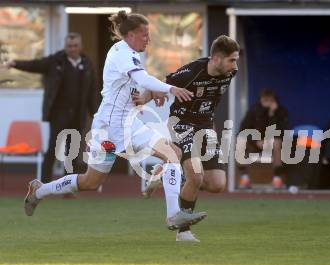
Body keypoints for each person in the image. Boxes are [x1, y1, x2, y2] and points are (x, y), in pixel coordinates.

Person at [23, 11, 207, 236]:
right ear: (130, 35)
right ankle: (40, 191)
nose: (148, 39)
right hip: (110, 129)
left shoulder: (131, 54)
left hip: (130, 124)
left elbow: (135, 84)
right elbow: (141, 79)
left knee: (173, 153)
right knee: (91, 182)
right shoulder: (122, 53)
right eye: (144, 34)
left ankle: (172, 213)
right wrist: (170, 89)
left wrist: (151, 92)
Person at [144, 35, 240, 242]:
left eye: (236, 60)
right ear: (215, 59)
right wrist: (143, 100)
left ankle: (166, 175)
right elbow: (159, 84)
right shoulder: (191, 72)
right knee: (196, 177)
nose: (235, 65)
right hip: (182, 124)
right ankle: (183, 232)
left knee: (217, 184)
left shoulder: (230, 72)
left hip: (206, 127)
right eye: (232, 60)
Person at [6, 33, 99, 182]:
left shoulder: (87, 64)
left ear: (80, 47)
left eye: (75, 46)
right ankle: (44, 184)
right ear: (65, 47)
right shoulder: (55, 61)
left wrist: (95, 113)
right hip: (58, 113)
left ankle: (69, 185)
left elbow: (92, 91)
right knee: (53, 149)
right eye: (69, 46)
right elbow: (35, 65)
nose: (72, 49)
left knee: (73, 152)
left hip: (78, 114)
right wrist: (16, 63)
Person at [237, 89, 289, 189]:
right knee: (240, 142)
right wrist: (256, 140)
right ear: (261, 99)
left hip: (273, 142)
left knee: (277, 143)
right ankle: (244, 178)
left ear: (274, 101)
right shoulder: (254, 110)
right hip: (255, 142)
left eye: (270, 100)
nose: (267, 103)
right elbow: (243, 129)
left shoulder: (281, 112)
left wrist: (272, 115)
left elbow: (282, 131)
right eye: (265, 100)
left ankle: (277, 179)